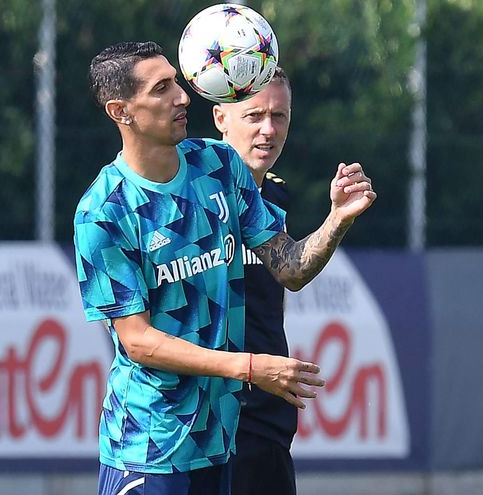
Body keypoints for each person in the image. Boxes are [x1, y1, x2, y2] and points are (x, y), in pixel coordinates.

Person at [75, 42, 375, 495]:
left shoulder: (218, 165)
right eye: (161, 88)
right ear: (122, 111)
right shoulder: (104, 212)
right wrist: (250, 367)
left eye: (177, 82)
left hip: (220, 442)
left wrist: (338, 220)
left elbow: (289, 268)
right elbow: (138, 341)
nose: (183, 96)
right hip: (150, 446)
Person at [213, 66, 300, 494]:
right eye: (254, 115)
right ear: (221, 118)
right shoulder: (191, 195)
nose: (268, 129)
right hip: (207, 412)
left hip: (267, 411)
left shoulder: (278, 195)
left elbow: (288, 279)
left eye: (279, 116)